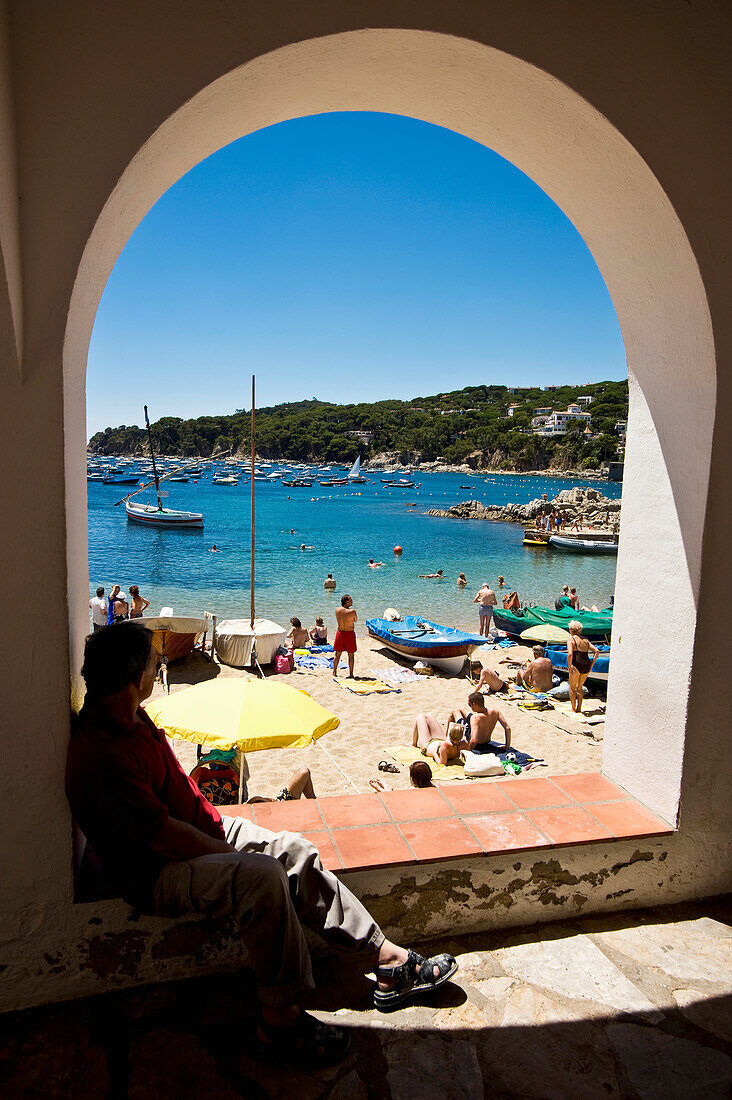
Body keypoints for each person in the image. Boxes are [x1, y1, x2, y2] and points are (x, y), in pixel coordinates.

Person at [65, 624, 457, 1067]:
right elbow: (163, 838)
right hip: (157, 870)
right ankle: (280, 1021)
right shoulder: (101, 753)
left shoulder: (134, 716)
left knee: (294, 850)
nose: (160, 668)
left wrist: (219, 835)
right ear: (135, 677)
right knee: (263, 877)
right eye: (154, 664)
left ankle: (385, 959)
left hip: (203, 829)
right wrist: (229, 856)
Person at [447, 692, 511, 752]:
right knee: (461, 709)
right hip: (487, 741)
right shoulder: (496, 712)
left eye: (470, 705)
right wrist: (507, 746)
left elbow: (473, 741)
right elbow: (507, 728)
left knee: (454, 712)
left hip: (477, 745)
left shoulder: (475, 718)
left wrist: (469, 750)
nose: (470, 707)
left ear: (474, 704)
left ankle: (447, 738)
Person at [566, 620, 599, 713]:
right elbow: (596, 651)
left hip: (576, 664)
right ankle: (579, 708)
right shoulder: (585, 640)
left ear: (572, 630)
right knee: (579, 687)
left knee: (572, 687)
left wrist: (569, 666)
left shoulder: (571, 639)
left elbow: (570, 654)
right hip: (586, 664)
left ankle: (573, 708)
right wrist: (592, 663)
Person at [369, 761, 434, 793]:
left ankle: (384, 788)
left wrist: (380, 788)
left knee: (388, 792)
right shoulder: (436, 787)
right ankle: (386, 787)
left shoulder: (412, 790)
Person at [334, 594, 358, 678]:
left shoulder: (337, 610)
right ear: (347, 602)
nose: (352, 601)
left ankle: (334, 672)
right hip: (349, 633)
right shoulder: (352, 611)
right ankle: (351, 674)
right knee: (351, 655)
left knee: (337, 654)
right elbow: (355, 620)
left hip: (340, 633)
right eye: (350, 600)